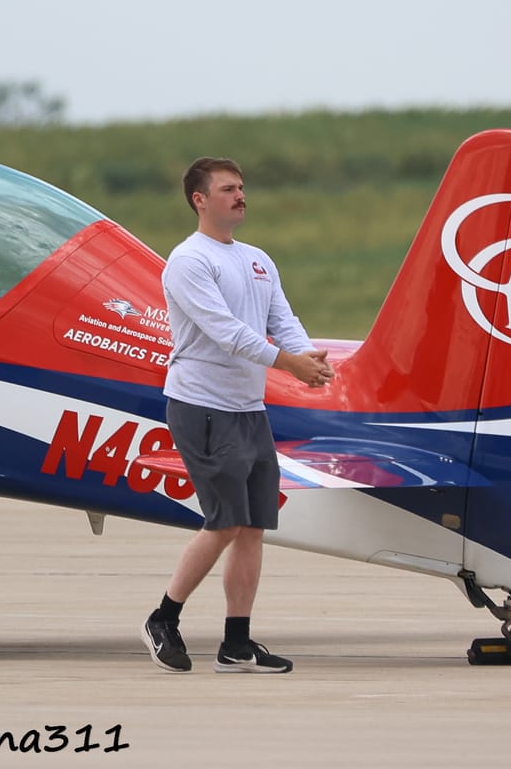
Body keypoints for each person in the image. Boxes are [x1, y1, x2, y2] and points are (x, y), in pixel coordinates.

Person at [141, 157, 332, 674]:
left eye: (242, 187)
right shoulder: (188, 261)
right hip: (202, 407)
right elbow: (227, 332)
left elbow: (281, 320)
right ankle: (163, 619)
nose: (240, 195)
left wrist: (309, 358)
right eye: (228, 189)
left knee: (251, 527)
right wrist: (289, 364)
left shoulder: (256, 260)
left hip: (248, 409)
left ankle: (237, 644)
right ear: (199, 199)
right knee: (224, 522)